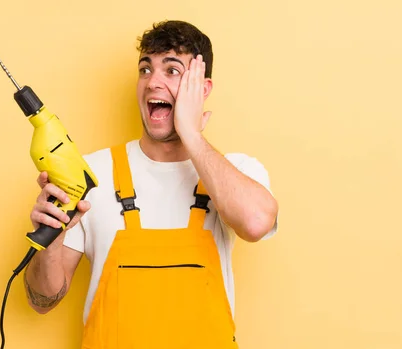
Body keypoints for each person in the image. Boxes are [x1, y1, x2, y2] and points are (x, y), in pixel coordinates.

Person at [23, 20, 279, 348]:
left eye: (172, 70)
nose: (153, 81)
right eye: (145, 69)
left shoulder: (236, 171)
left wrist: (192, 135)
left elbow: (256, 222)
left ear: (201, 88)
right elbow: (42, 300)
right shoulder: (91, 175)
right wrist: (53, 238)